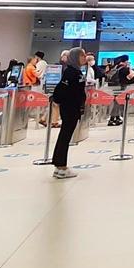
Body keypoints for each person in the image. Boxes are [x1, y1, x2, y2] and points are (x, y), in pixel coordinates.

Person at [50, 48, 89, 179]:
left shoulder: (77, 71)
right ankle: (61, 166)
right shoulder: (71, 72)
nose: (85, 58)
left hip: (73, 108)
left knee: (65, 136)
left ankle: (58, 164)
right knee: (65, 136)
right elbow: (62, 89)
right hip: (70, 108)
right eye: (82, 55)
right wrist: (59, 100)